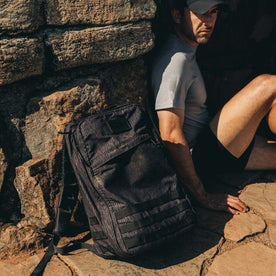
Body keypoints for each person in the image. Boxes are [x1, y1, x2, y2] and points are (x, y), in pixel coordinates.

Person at [151, 0, 276, 214]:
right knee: (269, 84)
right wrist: (202, 196)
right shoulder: (175, 62)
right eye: (201, 14)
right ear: (177, 15)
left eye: (214, 12)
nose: (209, 21)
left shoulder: (186, 49)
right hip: (202, 154)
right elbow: (170, 135)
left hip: (213, 152)